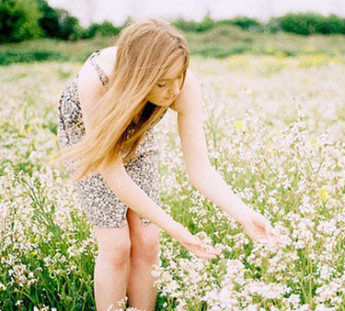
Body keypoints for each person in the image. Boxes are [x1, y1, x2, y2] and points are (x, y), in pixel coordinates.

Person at [57, 19, 277, 311]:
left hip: (138, 133)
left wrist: (245, 215)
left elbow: (200, 168)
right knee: (117, 246)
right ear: (137, 77)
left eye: (179, 77)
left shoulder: (182, 85)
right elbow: (113, 174)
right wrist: (177, 229)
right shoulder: (96, 79)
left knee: (148, 241)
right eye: (162, 83)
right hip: (89, 137)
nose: (173, 91)